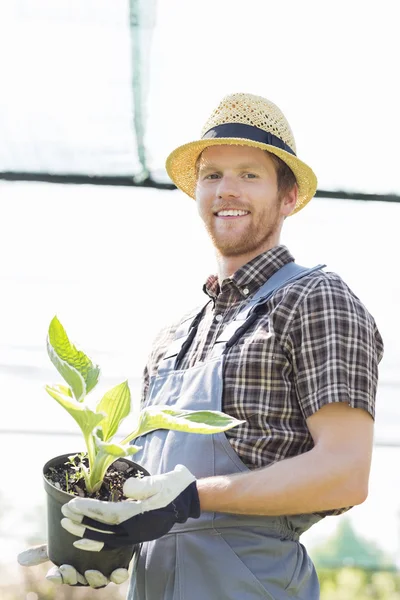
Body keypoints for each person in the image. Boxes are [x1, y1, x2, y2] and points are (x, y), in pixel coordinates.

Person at [18, 92, 384, 598]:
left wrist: (189, 499)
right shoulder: (172, 338)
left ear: (288, 197)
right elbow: (152, 499)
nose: (226, 191)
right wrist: (98, 537)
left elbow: (345, 472)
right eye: (212, 175)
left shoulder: (314, 299)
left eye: (249, 175)